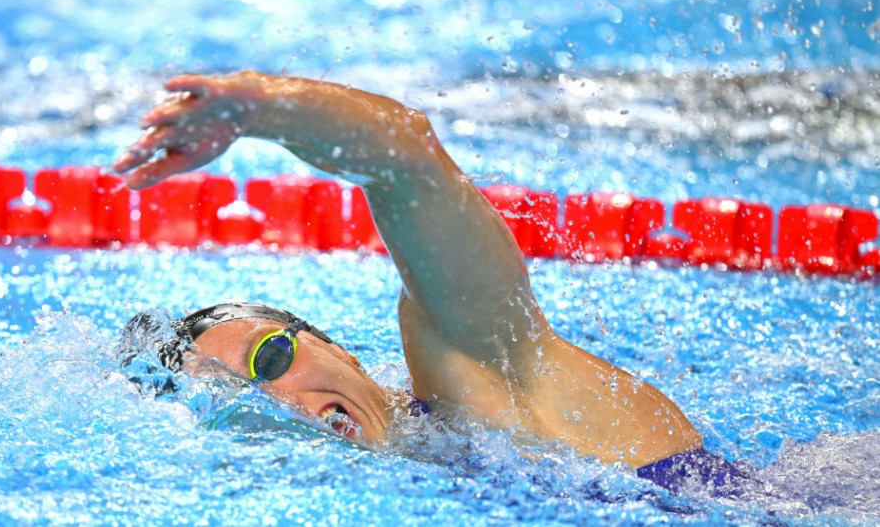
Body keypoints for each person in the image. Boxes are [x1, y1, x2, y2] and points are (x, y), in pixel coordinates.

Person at [112, 70, 755, 496]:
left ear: (337, 348)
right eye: (232, 405)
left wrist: (262, 109)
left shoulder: (479, 373)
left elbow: (408, 161)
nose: (275, 402)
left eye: (269, 357)